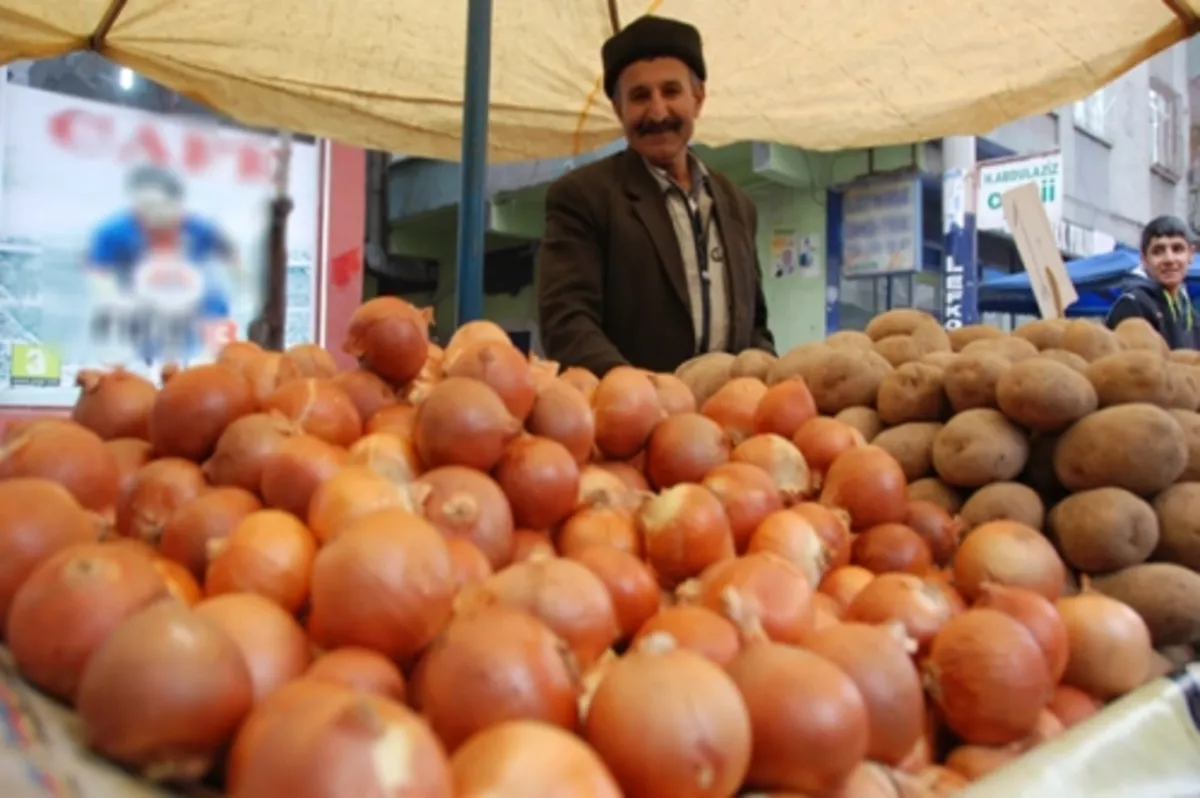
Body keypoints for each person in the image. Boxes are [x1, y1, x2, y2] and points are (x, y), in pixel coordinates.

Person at [536, 15, 775, 376]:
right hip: (630, 422)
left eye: (671, 91)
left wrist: (763, 381)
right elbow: (567, 322)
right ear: (619, 110)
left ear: (698, 98)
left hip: (726, 420)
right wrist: (639, 394)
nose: (658, 112)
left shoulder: (738, 205)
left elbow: (755, 323)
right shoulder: (583, 197)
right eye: (640, 96)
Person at [85, 165, 241, 363]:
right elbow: (98, 272)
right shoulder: (114, 231)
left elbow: (231, 255)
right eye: (143, 206)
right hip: (139, 305)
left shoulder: (199, 228)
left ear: (176, 202)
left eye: (157, 205)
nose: (150, 213)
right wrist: (117, 301)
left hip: (191, 303)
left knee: (215, 298)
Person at [1105, 214, 1200, 349]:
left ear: (1190, 255)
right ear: (1144, 260)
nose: (1169, 259)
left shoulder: (1190, 313)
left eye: (1177, 249)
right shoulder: (1133, 305)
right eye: (1158, 251)